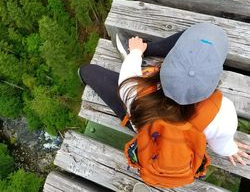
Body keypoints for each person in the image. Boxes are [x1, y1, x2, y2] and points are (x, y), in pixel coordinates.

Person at [79, 22, 250, 168]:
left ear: (164, 65)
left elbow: (129, 72)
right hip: (174, 139)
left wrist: (136, 52)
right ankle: (148, 50)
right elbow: (220, 145)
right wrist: (230, 150)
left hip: (144, 117)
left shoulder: (132, 89)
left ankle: (82, 73)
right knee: (198, 40)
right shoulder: (223, 113)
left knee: (89, 71)